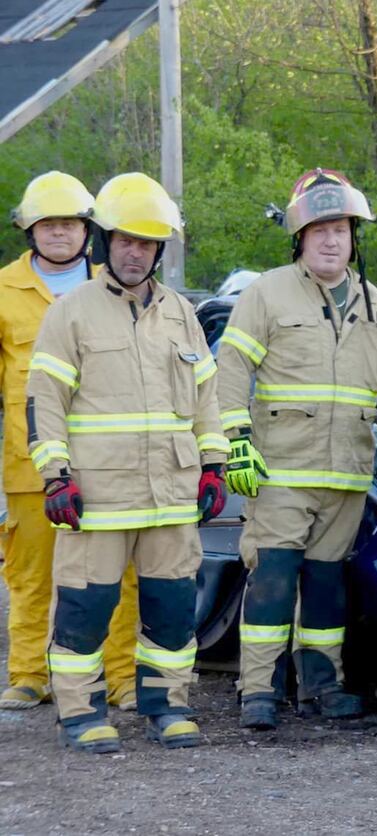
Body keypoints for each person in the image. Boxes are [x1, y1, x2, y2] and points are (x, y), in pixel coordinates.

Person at [26, 172, 227, 752]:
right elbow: (44, 402)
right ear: (104, 241)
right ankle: (80, 712)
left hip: (171, 497)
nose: (135, 252)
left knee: (171, 610)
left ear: (159, 250)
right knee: (85, 610)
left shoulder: (181, 313)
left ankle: (169, 705)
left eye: (146, 243)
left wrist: (213, 465)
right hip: (99, 498)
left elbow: (207, 400)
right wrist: (55, 477)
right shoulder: (71, 312)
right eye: (125, 240)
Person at [218, 168, 377, 729]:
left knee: (326, 586)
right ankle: (259, 690)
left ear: (353, 237)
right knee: (273, 578)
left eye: (340, 230)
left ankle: (321, 687)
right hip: (280, 469)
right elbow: (232, 365)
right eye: (319, 229)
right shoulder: (267, 292)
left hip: (347, 473)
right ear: (299, 237)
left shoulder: (374, 303)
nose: (331, 240)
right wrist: (235, 441)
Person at [1, 171, 141, 713]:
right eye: (47, 223)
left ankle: (122, 676)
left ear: (89, 231)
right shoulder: (4, 291)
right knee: (30, 575)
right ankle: (29, 674)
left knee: (117, 577)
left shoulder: (118, 285)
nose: (58, 232)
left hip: (108, 464)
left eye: (69, 223)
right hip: (29, 464)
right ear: (29, 230)